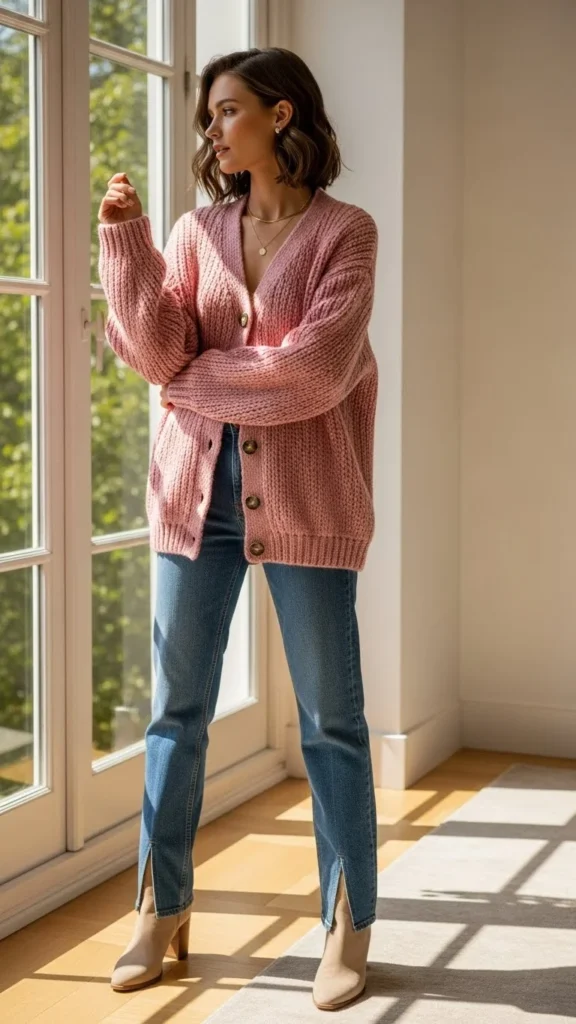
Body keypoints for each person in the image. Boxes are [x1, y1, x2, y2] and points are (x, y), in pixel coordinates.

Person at [97, 46, 379, 1012]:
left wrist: (192, 383)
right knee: (176, 715)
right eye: (208, 116)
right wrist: (126, 244)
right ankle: (159, 910)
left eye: (226, 110)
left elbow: (315, 374)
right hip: (193, 497)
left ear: (280, 114)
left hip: (308, 501)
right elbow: (154, 350)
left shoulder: (346, 233)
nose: (211, 130)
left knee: (331, 723)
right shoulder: (192, 232)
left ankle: (347, 923)